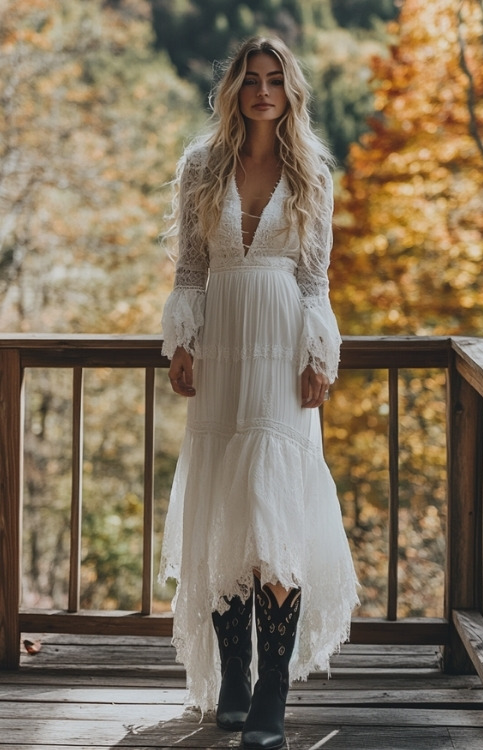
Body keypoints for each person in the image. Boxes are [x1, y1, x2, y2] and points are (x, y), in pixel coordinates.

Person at [158, 36, 359, 750]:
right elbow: (187, 268)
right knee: (225, 510)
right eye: (251, 79)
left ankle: (273, 686)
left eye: (276, 80)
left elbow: (314, 281)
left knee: (275, 516)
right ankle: (234, 678)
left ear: (290, 91)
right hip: (223, 351)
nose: (264, 91)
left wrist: (318, 354)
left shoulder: (311, 173)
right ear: (235, 90)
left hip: (280, 352)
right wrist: (182, 341)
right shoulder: (200, 167)